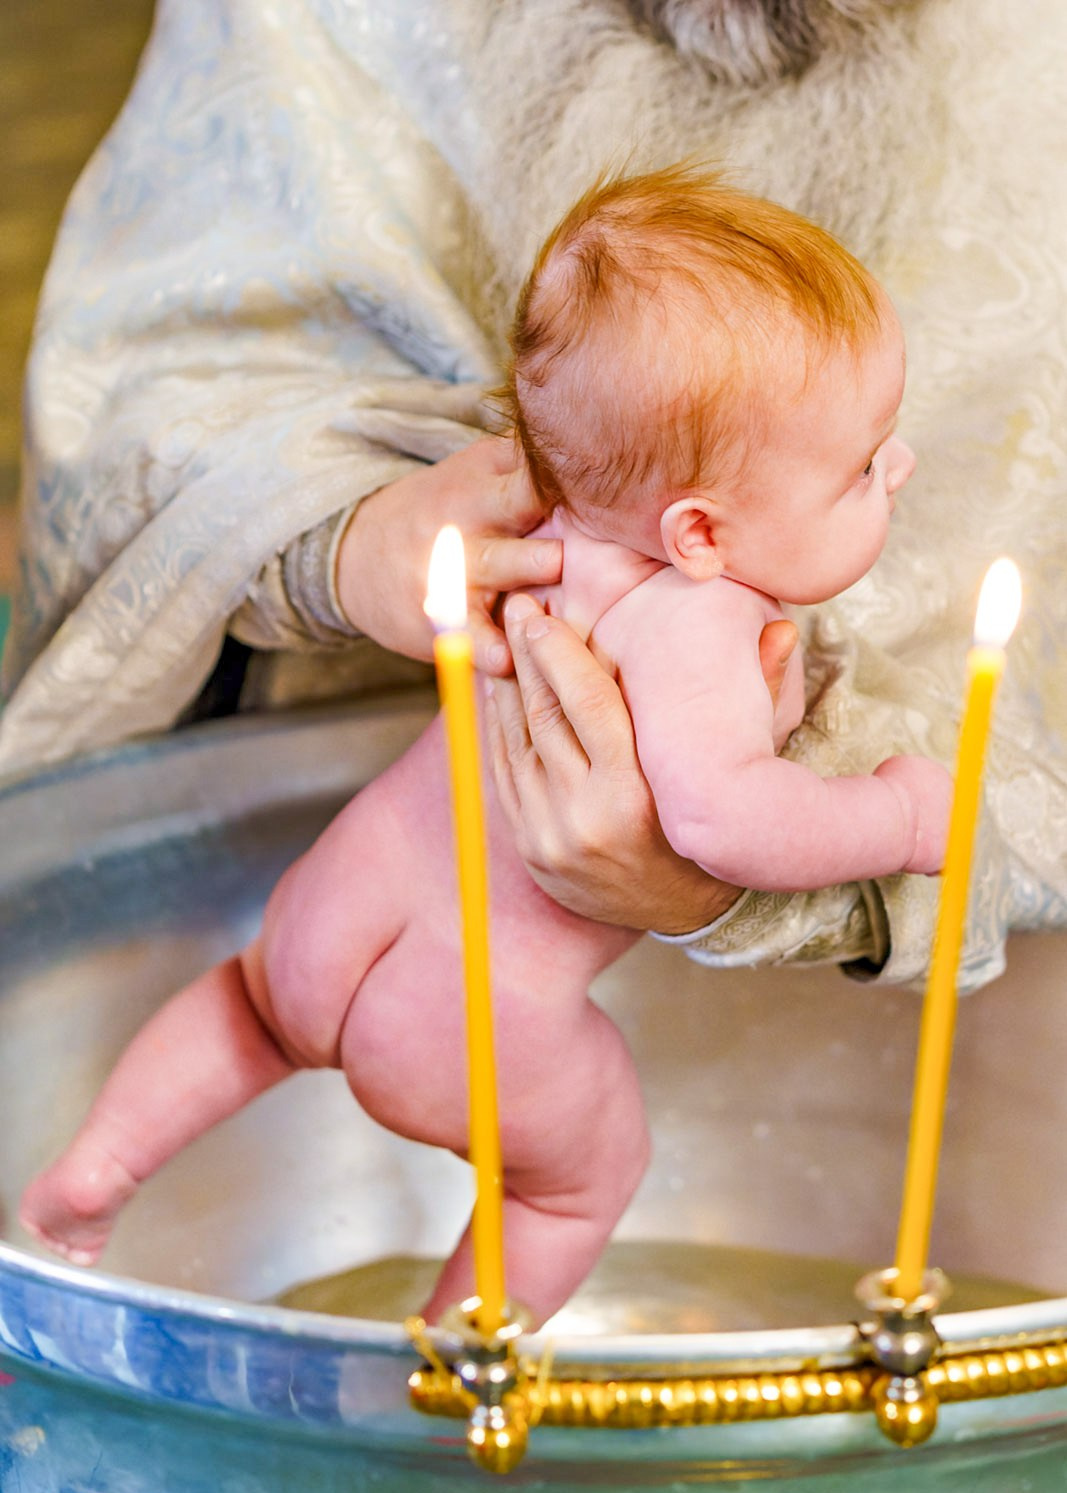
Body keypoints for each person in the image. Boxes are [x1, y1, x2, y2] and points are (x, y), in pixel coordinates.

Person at [20, 169, 952, 1327]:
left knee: (250, 1009)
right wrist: (903, 819)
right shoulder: (697, 624)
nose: (895, 470)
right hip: (464, 1020)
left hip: (332, 908)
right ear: (698, 532)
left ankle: (97, 1166)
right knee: (572, 1185)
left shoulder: (541, 528)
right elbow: (727, 819)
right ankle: (450, 1366)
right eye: (861, 466)